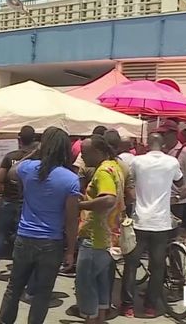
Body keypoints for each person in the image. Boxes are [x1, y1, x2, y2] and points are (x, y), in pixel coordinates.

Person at [0, 127, 81, 324]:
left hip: (25, 237)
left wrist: (35, 151)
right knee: (43, 293)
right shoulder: (70, 179)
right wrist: (70, 251)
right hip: (52, 242)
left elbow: (10, 173)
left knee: (14, 287)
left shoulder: (29, 168)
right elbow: (71, 219)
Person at [120, 133, 184, 318]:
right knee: (158, 266)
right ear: (163, 144)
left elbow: (129, 182)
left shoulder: (137, 161)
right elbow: (180, 182)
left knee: (131, 264)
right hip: (161, 223)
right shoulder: (172, 162)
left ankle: (127, 306)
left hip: (140, 220)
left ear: (147, 144)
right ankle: (150, 306)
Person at [75, 135, 123, 324]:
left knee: (85, 283)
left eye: (84, 153)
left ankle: (90, 319)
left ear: (97, 152)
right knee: (101, 282)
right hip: (110, 236)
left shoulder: (103, 171)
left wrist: (82, 206)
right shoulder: (115, 167)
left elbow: (108, 199)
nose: (82, 156)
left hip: (95, 236)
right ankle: (100, 319)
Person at [0, 125, 38, 280]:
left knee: (1, 232)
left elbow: (0, 178)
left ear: (19, 139)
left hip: (8, 200)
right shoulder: (36, 158)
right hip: (28, 203)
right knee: (21, 235)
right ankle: (18, 268)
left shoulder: (10, 156)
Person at [155, 120, 186, 228]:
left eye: (164, 134)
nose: (161, 137)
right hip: (158, 200)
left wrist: (179, 197)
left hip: (176, 204)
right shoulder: (159, 152)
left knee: (172, 234)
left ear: (174, 134)